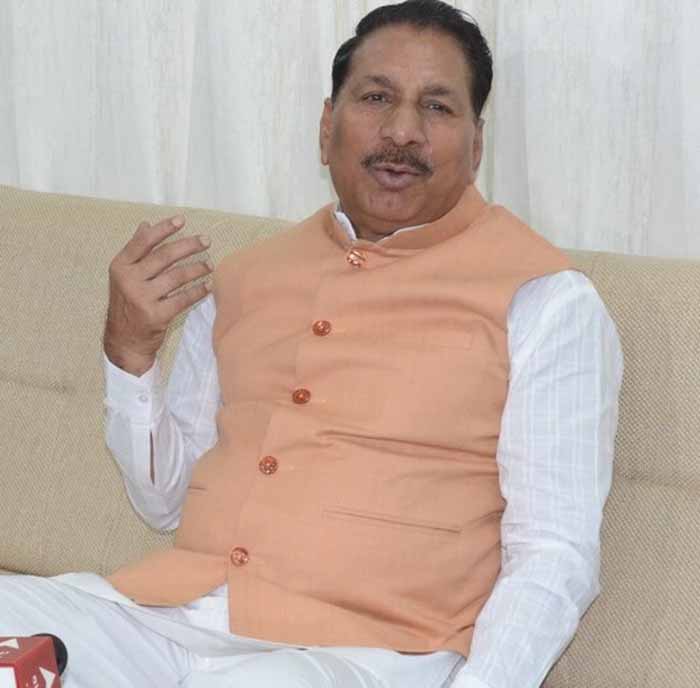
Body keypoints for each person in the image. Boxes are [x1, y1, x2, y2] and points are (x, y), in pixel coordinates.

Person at [0, 1, 623, 687]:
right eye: (376, 97)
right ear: (327, 127)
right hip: (168, 620)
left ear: (476, 144)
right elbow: (165, 502)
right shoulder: (244, 279)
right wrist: (131, 355)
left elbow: (554, 553)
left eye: (437, 107)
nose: (402, 131)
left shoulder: (545, 301)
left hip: (362, 656)